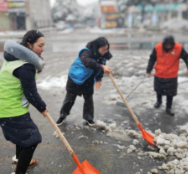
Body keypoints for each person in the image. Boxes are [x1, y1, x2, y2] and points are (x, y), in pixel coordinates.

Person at [0, 30, 48, 174]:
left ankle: (19, 160)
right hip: (10, 109)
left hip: (9, 106)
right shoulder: (25, 66)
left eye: (44, 45)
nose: (42, 49)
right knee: (32, 139)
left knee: (22, 136)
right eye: (40, 45)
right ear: (29, 44)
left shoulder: (14, 59)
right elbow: (31, 93)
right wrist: (42, 108)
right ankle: (19, 171)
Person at [56, 37, 112, 126]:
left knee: (89, 100)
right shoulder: (85, 52)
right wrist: (101, 66)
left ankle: (89, 118)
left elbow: (100, 69)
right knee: (69, 99)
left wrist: (99, 79)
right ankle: (62, 116)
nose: (105, 51)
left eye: (107, 49)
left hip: (88, 80)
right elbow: (87, 62)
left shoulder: (102, 56)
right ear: (97, 48)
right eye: (103, 49)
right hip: (75, 78)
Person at [146, 35, 188, 116]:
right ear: (163, 44)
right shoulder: (157, 47)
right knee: (159, 90)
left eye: (170, 45)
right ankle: (159, 101)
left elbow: (186, 58)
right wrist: (149, 69)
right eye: (166, 45)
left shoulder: (178, 48)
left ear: (173, 44)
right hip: (159, 73)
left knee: (170, 93)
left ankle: (168, 107)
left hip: (171, 75)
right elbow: (152, 58)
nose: (168, 46)